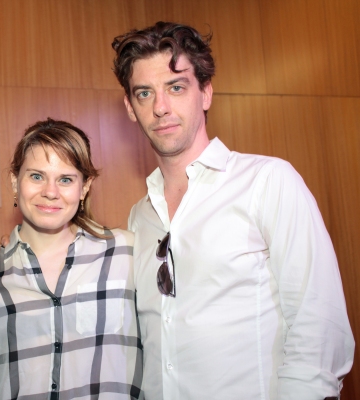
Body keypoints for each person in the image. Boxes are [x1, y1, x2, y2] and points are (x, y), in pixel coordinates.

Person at [111, 21, 354, 399]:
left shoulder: (268, 182)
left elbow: (319, 329)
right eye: (145, 93)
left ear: (205, 92)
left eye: (176, 87)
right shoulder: (137, 217)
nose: (161, 107)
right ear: (130, 107)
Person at [0, 118, 143, 399]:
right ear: (15, 181)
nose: (50, 192)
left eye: (65, 179)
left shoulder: (127, 253)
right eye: (36, 176)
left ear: (85, 187)